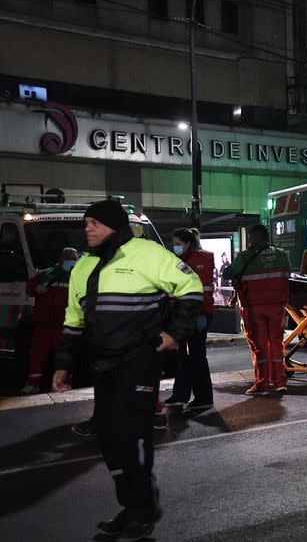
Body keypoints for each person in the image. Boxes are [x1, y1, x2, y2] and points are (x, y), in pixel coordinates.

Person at [52, 199, 203, 540]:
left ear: (114, 226)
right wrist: (63, 364)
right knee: (107, 437)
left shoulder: (147, 253)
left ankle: (142, 508)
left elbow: (191, 287)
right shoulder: (82, 267)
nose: (87, 228)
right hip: (102, 364)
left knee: (128, 433)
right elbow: (73, 321)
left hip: (139, 360)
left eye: (95, 222)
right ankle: (130, 504)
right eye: (86, 222)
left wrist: (174, 334)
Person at [223, 223, 291, 396]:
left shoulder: (245, 256)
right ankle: (280, 382)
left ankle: (262, 385)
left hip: (254, 307)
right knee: (276, 343)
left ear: (253, 237)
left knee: (259, 346)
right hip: (277, 306)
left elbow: (228, 273)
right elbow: (287, 274)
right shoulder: (281, 254)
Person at [164, 228, 215, 411]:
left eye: (178, 244)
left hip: (197, 315)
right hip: (184, 315)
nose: (175, 247)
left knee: (196, 357)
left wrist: (200, 314)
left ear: (188, 244)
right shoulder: (184, 260)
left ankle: (203, 397)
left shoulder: (200, 259)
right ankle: (181, 394)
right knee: (182, 357)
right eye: (174, 244)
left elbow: (201, 291)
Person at [19, 247, 80, 394]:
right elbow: (29, 288)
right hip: (44, 324)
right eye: (69, 259)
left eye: (74, 259)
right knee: (37, 355)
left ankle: (62, 384)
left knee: (63, 357)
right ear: (61, 259)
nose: (71, 262)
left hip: (64, 325)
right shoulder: (46, 273)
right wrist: (36, 287)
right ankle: (33, 384)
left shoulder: (77, 276)